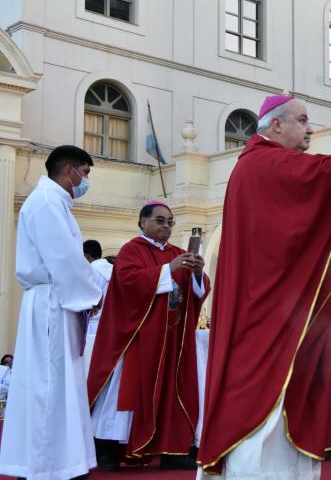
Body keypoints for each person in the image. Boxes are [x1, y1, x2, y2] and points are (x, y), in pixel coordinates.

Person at [197, 95, 331, 478]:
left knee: (280, 394)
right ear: (275, 125)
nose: (310, 129)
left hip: (272, 304)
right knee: (261, 397)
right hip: (264, 310)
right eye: (303, 120)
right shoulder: (263, 163)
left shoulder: (258, 165)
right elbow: (320, 176)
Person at [0, 145, 104, 480]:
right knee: (48, 385)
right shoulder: (46, 202)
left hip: (57, 300)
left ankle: (60, 460)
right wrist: (95, 293)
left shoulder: (56, 203)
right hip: (51, 302)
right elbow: (65, 260)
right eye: (85, 173)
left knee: (57, 384)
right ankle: (45, 466)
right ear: (69, 170)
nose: (85, 181)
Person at [87, 201, 210, 471]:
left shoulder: (178, 252)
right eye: (160, 220)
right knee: (126, 392)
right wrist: (169, 269)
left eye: (169, 222)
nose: (166, 226)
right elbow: (128, 283)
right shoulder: (132, 250)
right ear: (143, 222)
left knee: (172, 391)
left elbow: (196, 292)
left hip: (172, 338)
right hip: (138, 337)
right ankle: (107, 449)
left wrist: (198, 273)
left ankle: (173, 452)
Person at [83, 239, 113, 336]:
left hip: (91, 324)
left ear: (86, 256)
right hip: (110, 324)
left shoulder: (89, 271)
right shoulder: (113, 269)